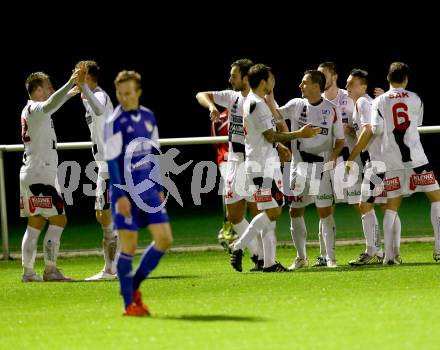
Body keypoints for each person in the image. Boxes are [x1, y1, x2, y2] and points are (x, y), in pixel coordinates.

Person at [229, 64, 320, 272]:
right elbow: (270, 135)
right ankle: (239, 246)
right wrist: (299, 134)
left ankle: (269, 263)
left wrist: (278, 146)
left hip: (259, 162)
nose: (273, 82)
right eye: (271, 78)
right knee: (274, 211)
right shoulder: (258, 104)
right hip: (263, 165)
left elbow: (262, 136)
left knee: (267, 215)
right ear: (263, 82)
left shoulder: (253, 102)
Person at [104, 70, 173, 316]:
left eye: (128, 93)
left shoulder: (148, 117)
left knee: (165, 239)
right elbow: (112, 161)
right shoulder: (113, 122)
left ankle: (132, 286)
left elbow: (154, 152)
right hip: (126, 193)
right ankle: (129, 305)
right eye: (120, 94)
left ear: (138, 92)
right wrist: (120, 195)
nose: (124, 98)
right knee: (129, 248)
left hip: (148, 189)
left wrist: (160, 184)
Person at [270, 70, 345, 269]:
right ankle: (301, 258)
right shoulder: (296, 105)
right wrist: (270, 95)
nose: (300, 86)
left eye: (304, 83)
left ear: (316, 86)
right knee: (295, 211)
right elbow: (275, 113)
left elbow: (340, 140)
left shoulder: (331, 109)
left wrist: (334, 156)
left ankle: (331, 258)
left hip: (321, 168)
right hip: (298, 168)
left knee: (325, 213)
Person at [196, 59, 266, 271]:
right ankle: (257, 254)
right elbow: (201, 94)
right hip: (235, 161)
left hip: (254, 162)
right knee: (234, 216)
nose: (229, 79)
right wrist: (211, 107)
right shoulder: (232, 97)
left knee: (260, 211)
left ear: (246, 78)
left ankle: (261, 257)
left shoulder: (258, 100)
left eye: (234, 75)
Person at [20, 67, 85, 282]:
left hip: (31, 172)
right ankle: (50, 270)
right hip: (40, 175)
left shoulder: (30, 110)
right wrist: (69, 84)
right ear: (38, 90)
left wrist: (67, 94)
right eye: (48, 87)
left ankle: (29, 273)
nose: (51, 89)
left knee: (35, 222)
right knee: (59, 219)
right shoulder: (37, 108)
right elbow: (48, 105)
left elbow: (51, 106)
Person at [371, 62, 440, 264]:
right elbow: (416, 125)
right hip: (417, 159)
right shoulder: (415, 98)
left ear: (388, 78)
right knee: (436, 198)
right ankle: (439, 248)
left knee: (392, 205)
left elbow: (376, 128)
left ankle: (390, 257)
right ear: (406, 79)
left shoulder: (379, 101)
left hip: (391, 160)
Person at [74, 60, 118, 281]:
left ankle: (112, 270)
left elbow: (100, 109)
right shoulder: (88, 97)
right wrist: (79, 91)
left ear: (87, 75)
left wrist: (82, 88)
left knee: (106, 216)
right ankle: (113, 266)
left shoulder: (99, 96)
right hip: (104, 164)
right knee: (102, 215)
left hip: (109, 164)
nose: (74, 75)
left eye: (78, 72)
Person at [313, 62, 360, 267]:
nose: (321, 79)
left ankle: (374, 250)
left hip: (348, 160)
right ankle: (325, 256)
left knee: (361, 205)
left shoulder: (347, 99)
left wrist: (351, 129)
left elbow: (364, 124)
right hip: (325, 161)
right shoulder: (317, 101)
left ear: (334, 76)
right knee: (324, 208)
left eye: (324, 75)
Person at [344, 69, 388, 265]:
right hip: (380, 160)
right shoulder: (366, 103)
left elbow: (369, 130)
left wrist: (351, 157)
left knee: (366, 205)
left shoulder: (362, 101)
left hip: (376, 161)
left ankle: (375, 252)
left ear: (363, 87)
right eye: (347, 83)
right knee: (378, 205)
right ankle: (379, 252)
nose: (347, 87)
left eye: (351, 84)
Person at [211, 108, 238, 247]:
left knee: (245, 193)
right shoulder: (219, 118)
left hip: (246, 158)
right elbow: (216, 142)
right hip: (226, 159)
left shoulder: (248, 111)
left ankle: (235, 226)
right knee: (229, 190)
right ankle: (228, 225)